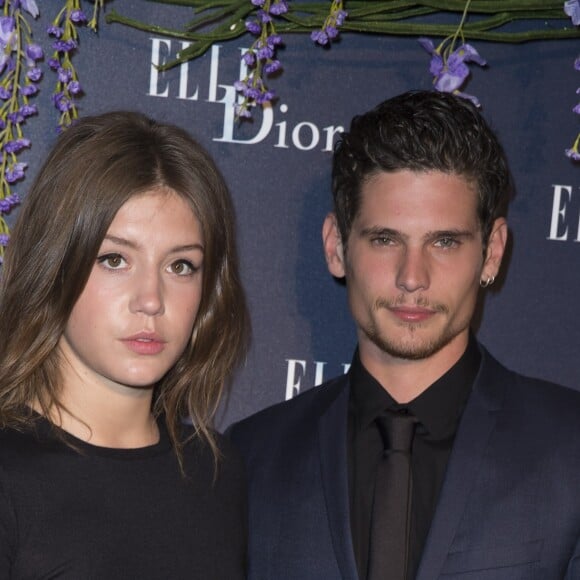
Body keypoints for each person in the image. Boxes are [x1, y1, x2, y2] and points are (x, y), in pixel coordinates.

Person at [229, 91, 580, 580]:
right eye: (385, 239)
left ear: (493, 252)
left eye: (444, 242)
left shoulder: (570, 451)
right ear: (336, 247)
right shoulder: (251, 459)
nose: (412, 277)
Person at [0, 111, 250, 579]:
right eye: (115, 259)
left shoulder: (214, 472)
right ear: (53, 265)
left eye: (181, 266)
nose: (151, 300)